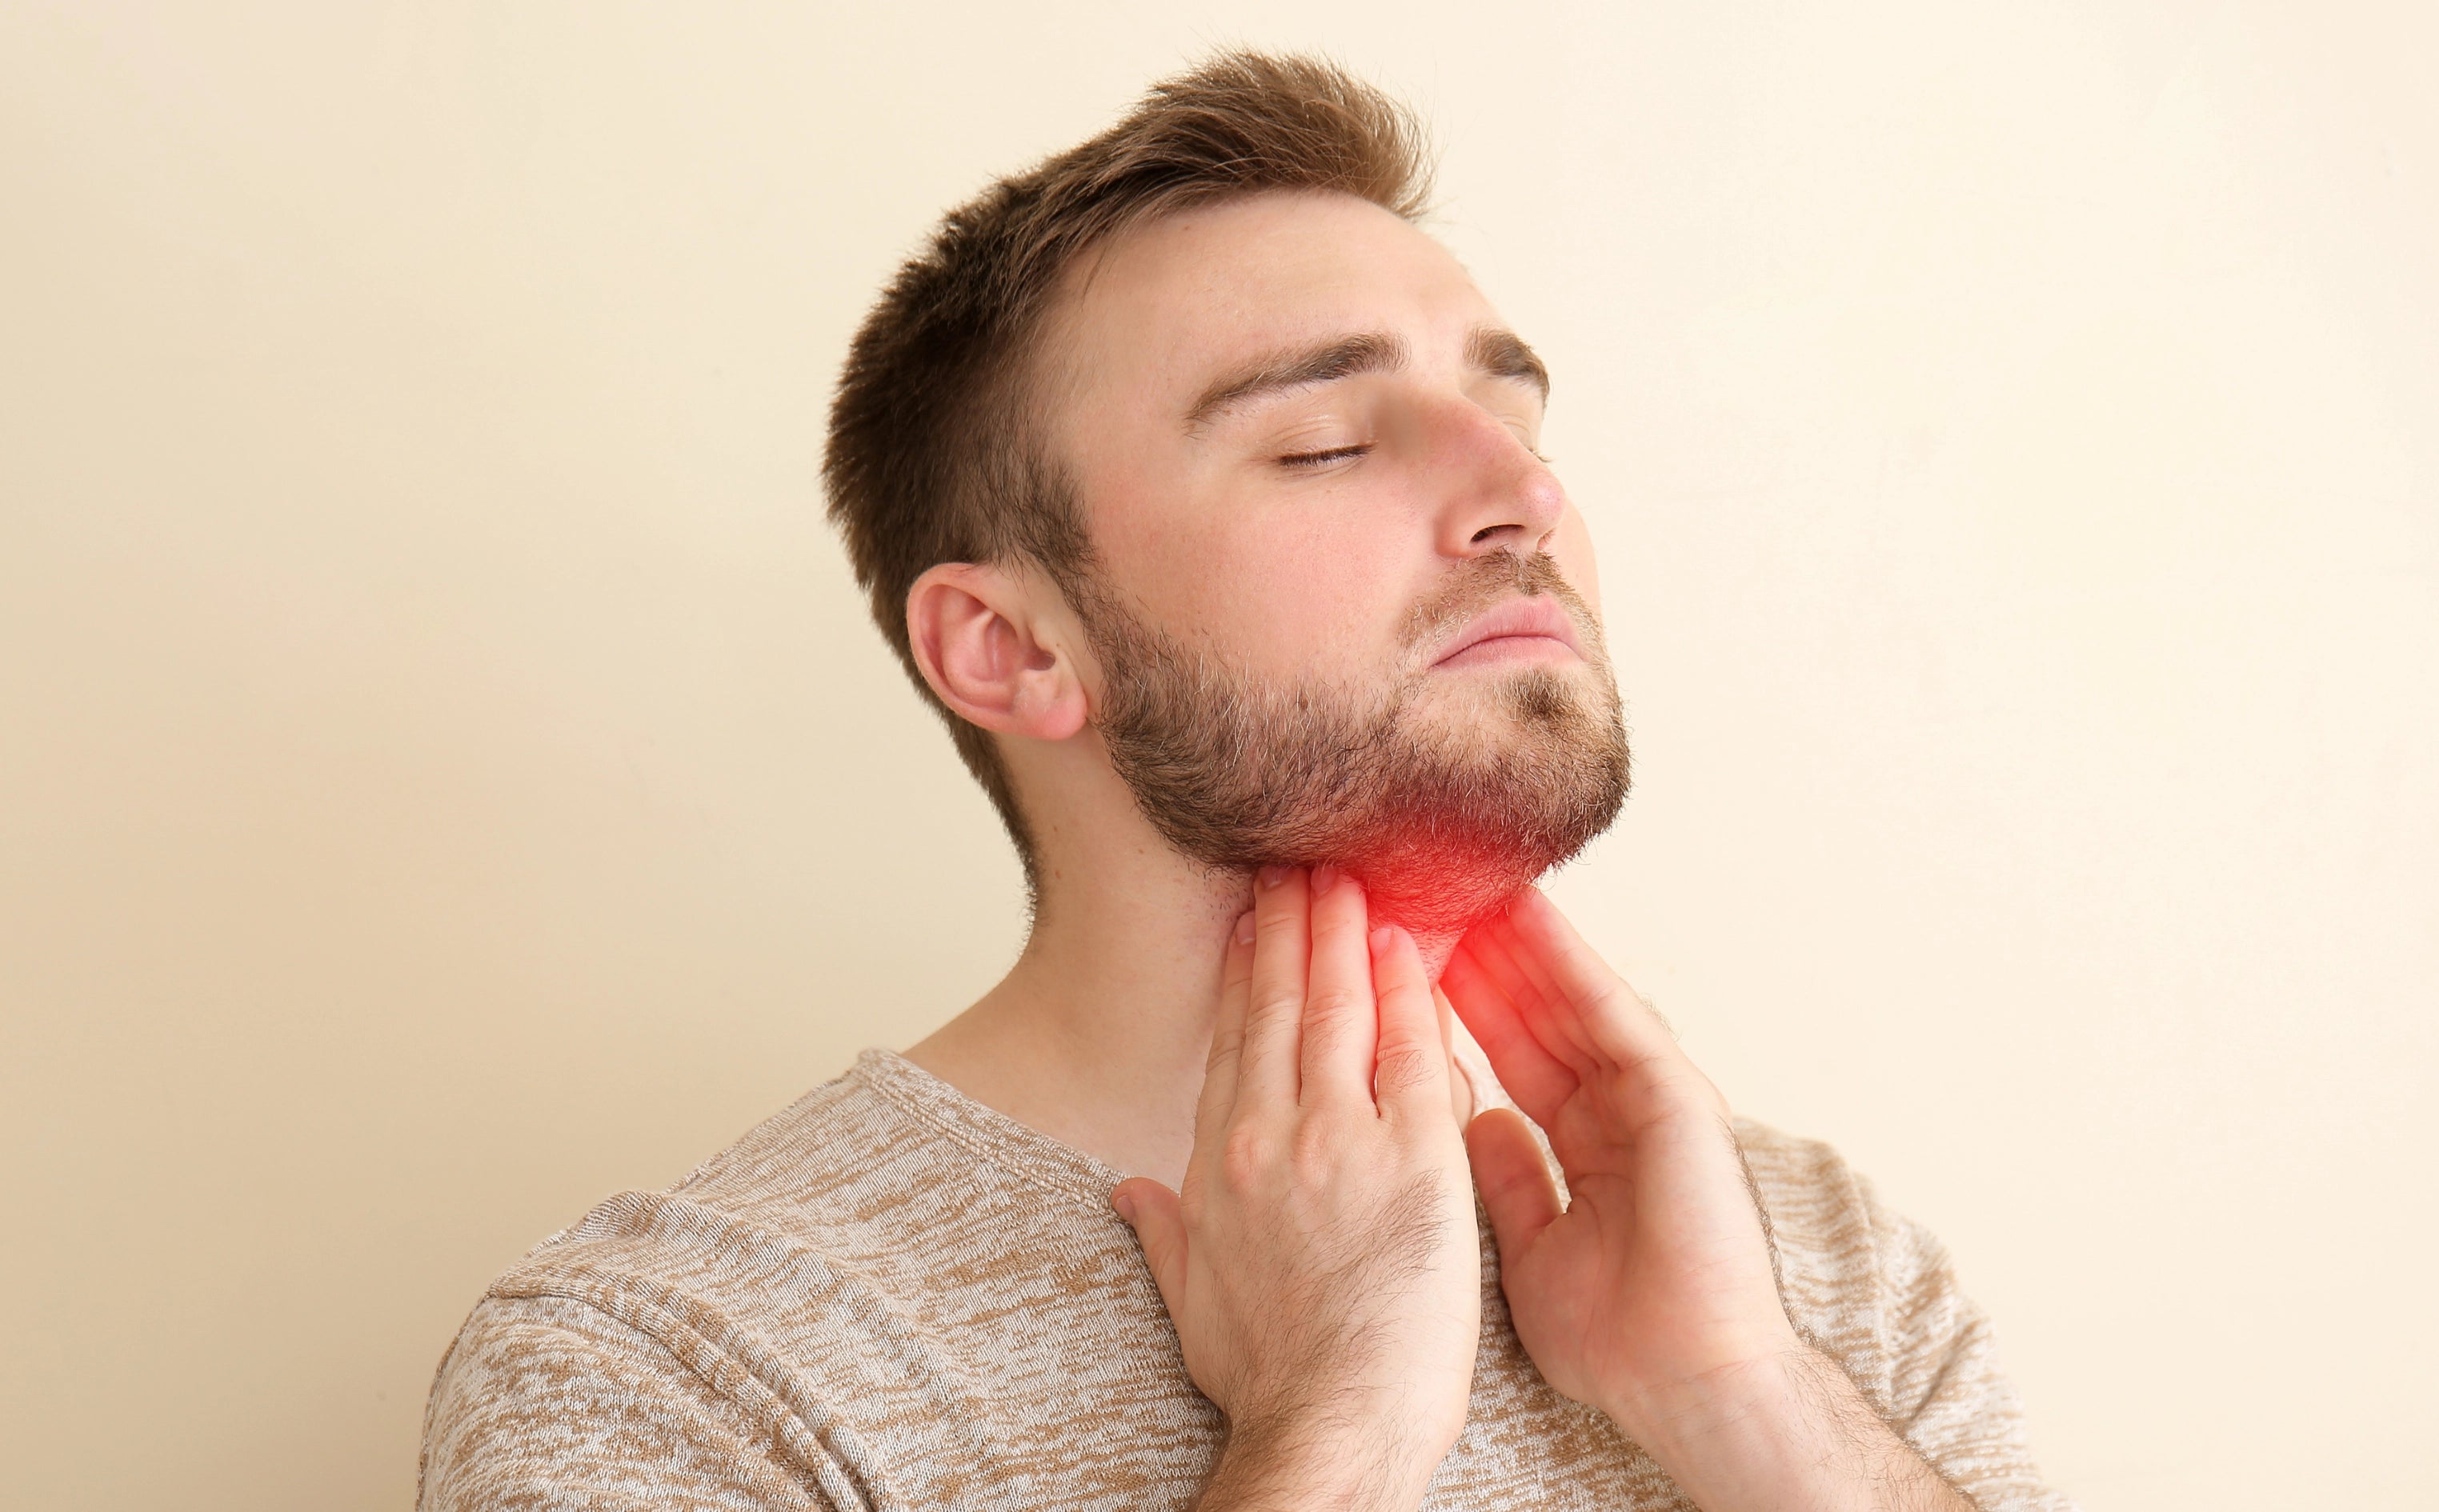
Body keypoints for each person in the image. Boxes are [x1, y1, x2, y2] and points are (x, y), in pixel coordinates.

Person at [419, 51, 2072, 1512]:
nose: (1527, 495)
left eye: (1515, 416)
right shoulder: (682, 1374)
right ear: (1010, 647)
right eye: (1329, 444)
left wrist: (1745, 1406)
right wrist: (1327, 1438)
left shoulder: (1799, 1266)